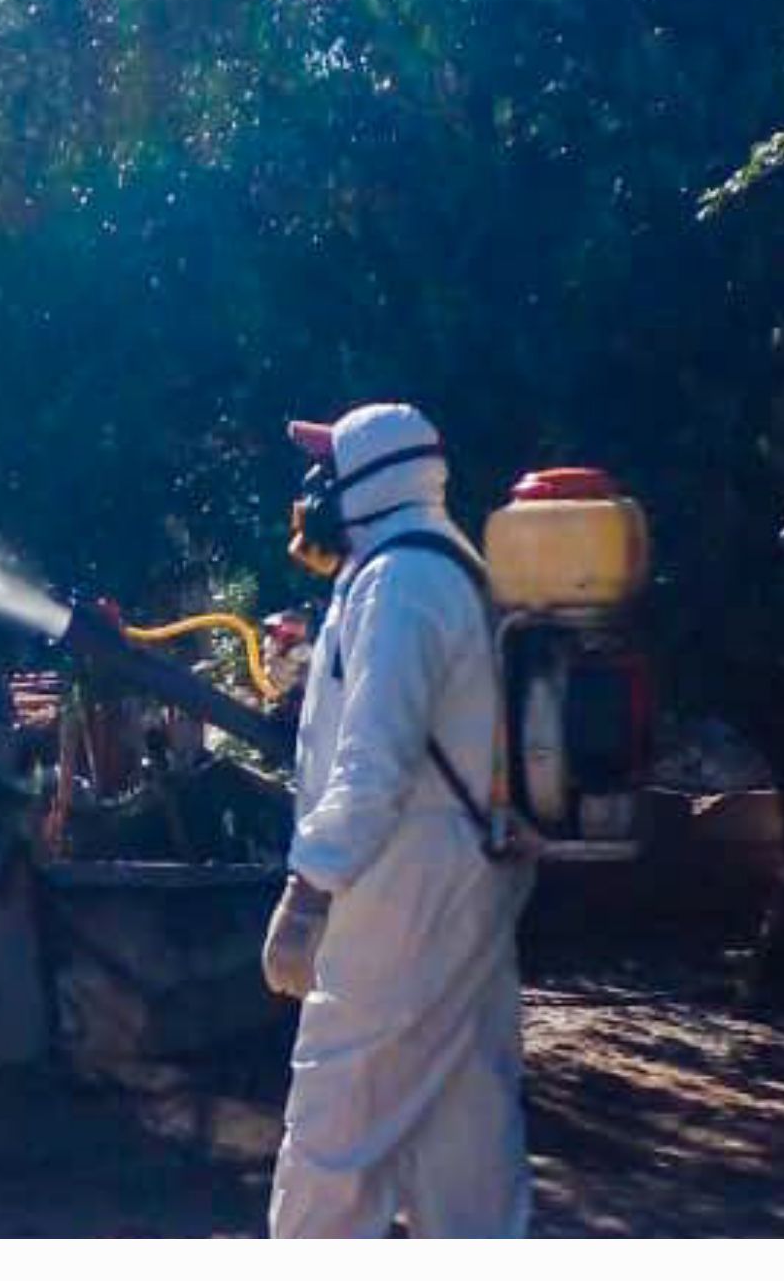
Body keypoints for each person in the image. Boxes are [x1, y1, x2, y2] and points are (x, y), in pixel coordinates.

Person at [261, 402, 533, 1239]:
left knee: (337, 1121)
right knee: (464, 1121)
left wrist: (310, 890)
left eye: (328, 473)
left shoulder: (402, 581)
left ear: (369, 482)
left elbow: (373, 765)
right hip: (457, 867)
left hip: (404, 880)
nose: (316, 495)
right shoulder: (428, 564)